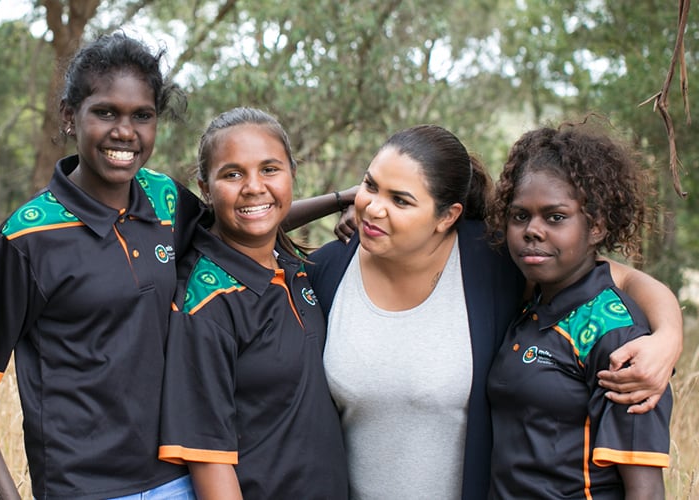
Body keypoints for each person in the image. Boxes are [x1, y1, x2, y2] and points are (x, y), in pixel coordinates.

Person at [0, 34, 352, 499]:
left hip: (178, 481)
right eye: (106, 113)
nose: (126, 132)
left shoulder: (163, 200)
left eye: (142, 115)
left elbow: (247, 217)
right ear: (68, 116)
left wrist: (346, 200)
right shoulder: (28, 239)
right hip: (84, 487)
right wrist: (9, 494)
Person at [309, 124, 682, 499]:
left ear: (447, 216)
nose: (375, 207)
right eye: (371, 187)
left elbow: (616, 278)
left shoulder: (491, 263)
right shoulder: (330, 270)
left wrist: (668, 336)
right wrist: (347, 201)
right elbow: (255, 236)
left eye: (401, 199)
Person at [157, 107, 349, 498]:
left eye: (269, 169)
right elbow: (208, 456)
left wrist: (354, 201)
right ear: (205, 189)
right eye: (232, 174)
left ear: (292, 174)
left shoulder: (293, 268)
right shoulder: (206, 302)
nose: (253, 187)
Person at [485, 125, 671, 499]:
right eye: (520, 216)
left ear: (596, 226)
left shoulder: (616, 334)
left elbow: (646, 491)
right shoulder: (527, 303)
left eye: (555, 217)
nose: (532, 231)